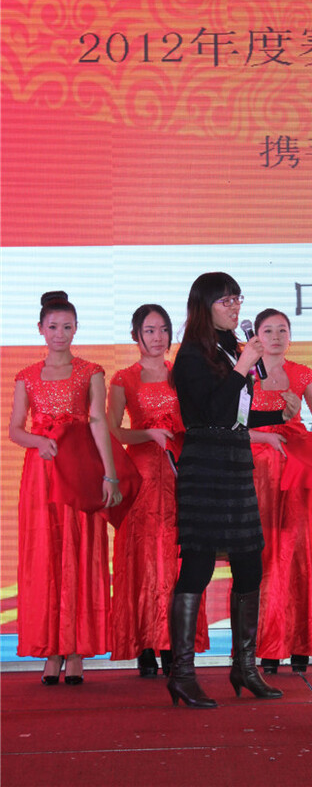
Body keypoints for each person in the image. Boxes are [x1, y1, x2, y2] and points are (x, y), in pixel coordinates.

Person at [169, 273, 300, 708]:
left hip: (235, 463)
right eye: (226, 301)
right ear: (204, 305)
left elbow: (236, 416)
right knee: (198, 566)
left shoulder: (229, 347)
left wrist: (276, 415)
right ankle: (182, 674)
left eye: (237, 299)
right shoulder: (191, 355)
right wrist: (243, 367)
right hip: (205, 467)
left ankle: (245, 667)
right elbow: (210, 413)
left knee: (249, 563)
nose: (235, 307)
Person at [9, 291, 122, 685]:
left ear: (76, 329)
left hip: (79, 469)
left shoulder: (91, 371)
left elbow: (98, 422)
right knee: (45, 555)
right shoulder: (26, 376)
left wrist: (110, 474)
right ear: (40, 329)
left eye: (67, 326)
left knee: (80, 552)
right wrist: (38, 441)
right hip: (40, 475)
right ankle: (51, 651)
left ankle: (75, 651)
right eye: (53, 326)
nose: (60, 333)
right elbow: (15, 430)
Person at [107, 305, 209, 678]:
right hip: (142, 477)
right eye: (149, 330)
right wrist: (148, 434)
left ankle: (174, 643)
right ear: (135, 335)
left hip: (181, 475)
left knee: (178, 557)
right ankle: (146, 644)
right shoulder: (124, 379)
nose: (157, 337)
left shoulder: (182, 374)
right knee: (143, 558)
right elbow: (114, 431)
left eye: (163, 329)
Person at [248, 309, 312, 674]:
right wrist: (262, 438)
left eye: (282, 330)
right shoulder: (243, 375)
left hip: (297, 470)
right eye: (268, 330)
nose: (276, 337)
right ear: (256, 336)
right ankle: (267, 647)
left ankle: (300, 643)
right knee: (264, 556)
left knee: (300, 554)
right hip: (257, 473)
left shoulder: (302, 374)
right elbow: (231, 425)